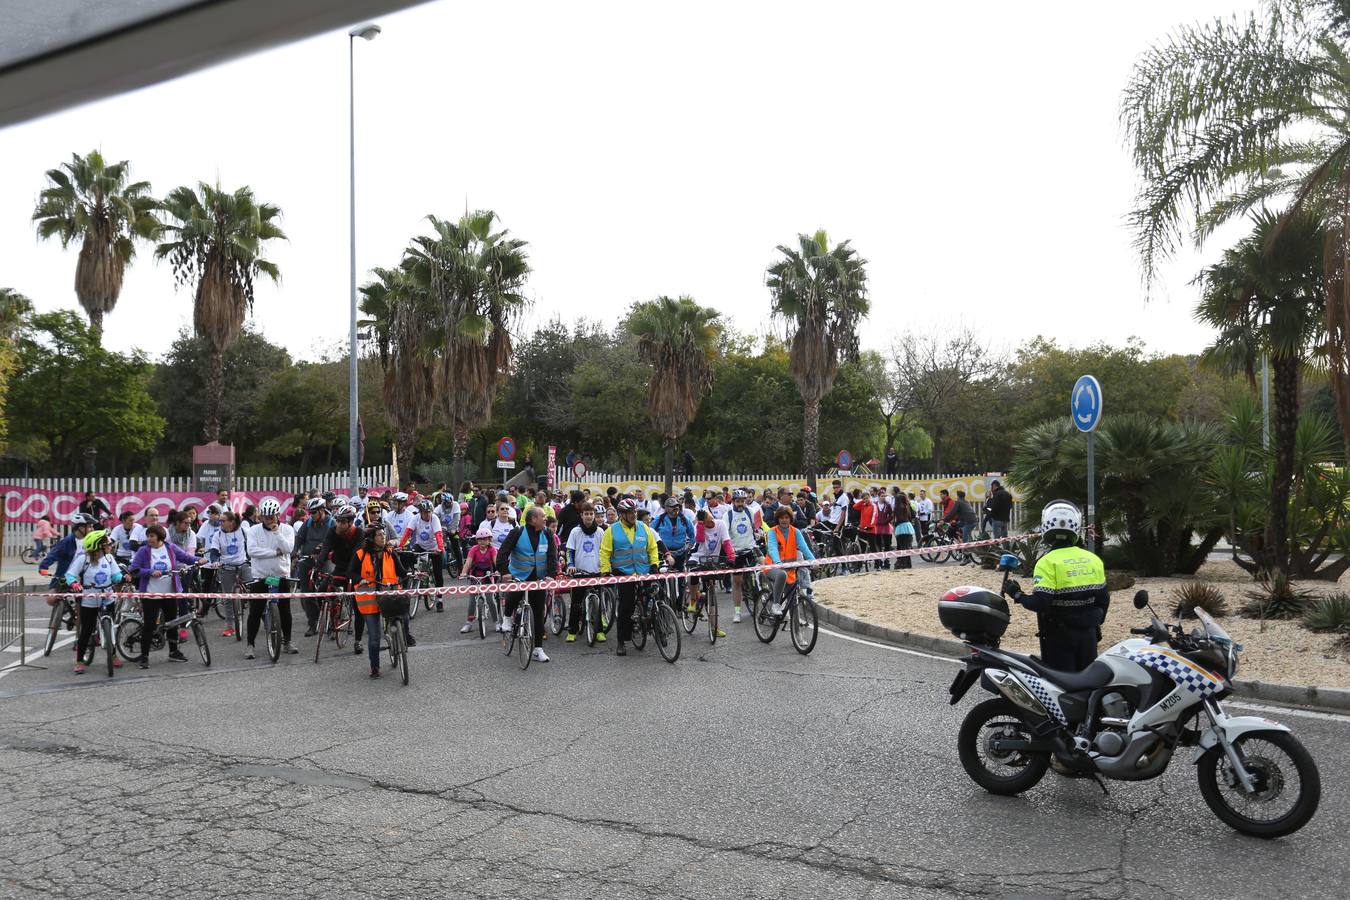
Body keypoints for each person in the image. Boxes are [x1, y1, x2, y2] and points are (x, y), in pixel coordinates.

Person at [1004, 500, 1108, 672]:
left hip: (1059, 635)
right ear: (1076, 527)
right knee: (1087, 684)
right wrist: (1093, 622)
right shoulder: (1093, 559)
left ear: (1046, 526)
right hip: (1088, 634)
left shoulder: (1047, 562)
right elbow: (1104, 601)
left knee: (1061, 687)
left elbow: (1040, 603)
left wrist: (1017, 595)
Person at [129, 524, 199, 668]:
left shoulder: (170, 548)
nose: (149, 539)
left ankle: (174, 652)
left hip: (169, 593)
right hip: (150, 594)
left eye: (152, 536)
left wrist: (200, 560)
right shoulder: (143, 551)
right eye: (148, 536)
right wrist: (150, 572)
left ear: (160, 537)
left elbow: (186, 557)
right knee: (149, 625)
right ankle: (144, 656)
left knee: (172, 622)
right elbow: (134, 569)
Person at [599, 498, 660, 657]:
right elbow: (605, 552)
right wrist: (606, 572)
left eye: (634, 512)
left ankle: (658, 628)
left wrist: (654, 565)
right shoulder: (611, 531)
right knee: (625, 607)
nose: (633, 515)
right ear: (622, 515)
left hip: (643, 570)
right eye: (629, 513)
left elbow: (652, 548)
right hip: (623, 573)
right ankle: (621, 640)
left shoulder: (644, 528)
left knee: (654, 598)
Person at [495, 506, 556, 663]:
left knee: (538, 614)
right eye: (543, 516)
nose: (545, 519)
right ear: (533, 519)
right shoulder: (517, 532)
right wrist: (504, 572)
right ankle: (507, 617)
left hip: (538, 580)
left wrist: (550, 575)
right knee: (514, 595)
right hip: (519, 576)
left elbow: (551, 556)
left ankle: (538, 649)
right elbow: (502, 553)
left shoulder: (547, 533)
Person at [348, 525, 408, 678]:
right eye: (379, 535)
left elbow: (401, 571)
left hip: (390, 595)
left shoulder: (390, 552)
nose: (383, 537)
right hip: (370, 600)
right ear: (371, 539)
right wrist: (359, 580)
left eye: (384, 534)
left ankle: (401, 637)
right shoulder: (360, 555)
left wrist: (414, 574)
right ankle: (374, 667)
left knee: (404, 617)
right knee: (374, 638)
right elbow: (351, 572)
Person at [243, 497, 298, 659]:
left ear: (278, 515)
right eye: (265, 518)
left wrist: (277, 533)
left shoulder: (287, 529)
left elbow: (288, 548)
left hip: (280, 575)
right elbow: (252, 551)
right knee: (255, 611)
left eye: (272, 517)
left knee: (284, 609)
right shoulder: (253, 530)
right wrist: (274, 552)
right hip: (260, 576)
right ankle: (250, 645)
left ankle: (287, 641)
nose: (268, 521)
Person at [64, 530, 125, 675]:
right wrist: (74, 584)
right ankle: (79, 661)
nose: (110, 545)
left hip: (108, 597)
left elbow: (116, 574)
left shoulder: (109, 558)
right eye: (107, 543)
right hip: (89, 600)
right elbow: (70, 575)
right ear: (98, 546)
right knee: (86, 630)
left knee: (110, 627)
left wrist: (120, 578)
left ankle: (113, 655)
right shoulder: (83, 559)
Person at [563, 502, 606, 643]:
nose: (589, 516)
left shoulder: (600, 532)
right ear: (581, 515)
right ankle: (572, 631)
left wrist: (605, 567)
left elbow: (605, 552)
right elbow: (570, 550)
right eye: (586, 514)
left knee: (598, 603)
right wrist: (570, 564)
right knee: (576, 603)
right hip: (580, 572)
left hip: (596, 571)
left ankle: (599, 630)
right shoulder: (575, 531)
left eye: (591, 514)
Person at [764, 505, 816, 615]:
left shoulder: (795, 531)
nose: (784, 520)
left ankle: (796, 630)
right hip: (772, 567)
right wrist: (778, 562)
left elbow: (804, 547)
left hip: (790, 569)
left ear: (790, 519)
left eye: (787, 517)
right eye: (781, 518)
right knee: (782, 574)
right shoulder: (772, 532)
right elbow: (772, 548)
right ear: (777, 519)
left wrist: (813, 560)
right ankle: (776, 604)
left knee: (793, 601)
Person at [294, 498, 332, 636]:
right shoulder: (309, 522)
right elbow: (299, 538)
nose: (311, 515)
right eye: (309, 512)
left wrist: (321, 549)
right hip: (308, 558)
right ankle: (313, 623)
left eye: (314, 512)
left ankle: (333, 619)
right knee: (306, 592)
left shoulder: (331, 522)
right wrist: (294, 552)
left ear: (322, 511)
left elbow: (330, 541)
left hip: (325, 559)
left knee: (329, 586)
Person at [400, 499, 446, 610]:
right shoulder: (415, 518)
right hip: (420, 545)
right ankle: (413, 574)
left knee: (438, 573)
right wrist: (401, 545)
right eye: (425, 512)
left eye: (429, 511)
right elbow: (408, 532)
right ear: (420, 512)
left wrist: (440, 548)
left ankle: (439, 600)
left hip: (434, 547)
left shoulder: (434, 519)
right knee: (409, 555)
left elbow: (438, 534)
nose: (427, 514)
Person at [38, 512, 99, 593]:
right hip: (65, 578)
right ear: (81, 528)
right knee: (51, 599)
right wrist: (43, 567)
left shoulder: (90, 540)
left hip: (84, 578)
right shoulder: (68, 541)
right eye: (90, 527)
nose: (92, 529)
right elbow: (53, 554)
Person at [458, 524, 498, 634]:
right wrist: (463, 573)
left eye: (485, 539)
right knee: (471, 600)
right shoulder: (474, 550)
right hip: (475, 576)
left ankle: (496, 622)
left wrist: (498, 571)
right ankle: (468, 623)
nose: (482, 542)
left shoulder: (492, 550)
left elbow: (496, 562)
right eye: (479, 539)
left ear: (489, 540)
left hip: (488, 576)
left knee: (490, 600)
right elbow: (468, 562)